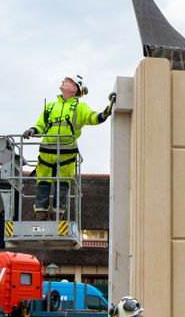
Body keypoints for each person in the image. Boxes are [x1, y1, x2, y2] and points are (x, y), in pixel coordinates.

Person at [21, 75, 115, 221]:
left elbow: (92, 117)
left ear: (75, 88)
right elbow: (41, 125)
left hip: (67, 154)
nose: (63, 81)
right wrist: (33, 130)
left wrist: (104, 114)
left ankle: (57, 215)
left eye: (68, 81)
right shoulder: (50, 106)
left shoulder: (80, 107)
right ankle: (40, 215)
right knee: (43, 183)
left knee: (62, 184)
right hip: (46, 151)